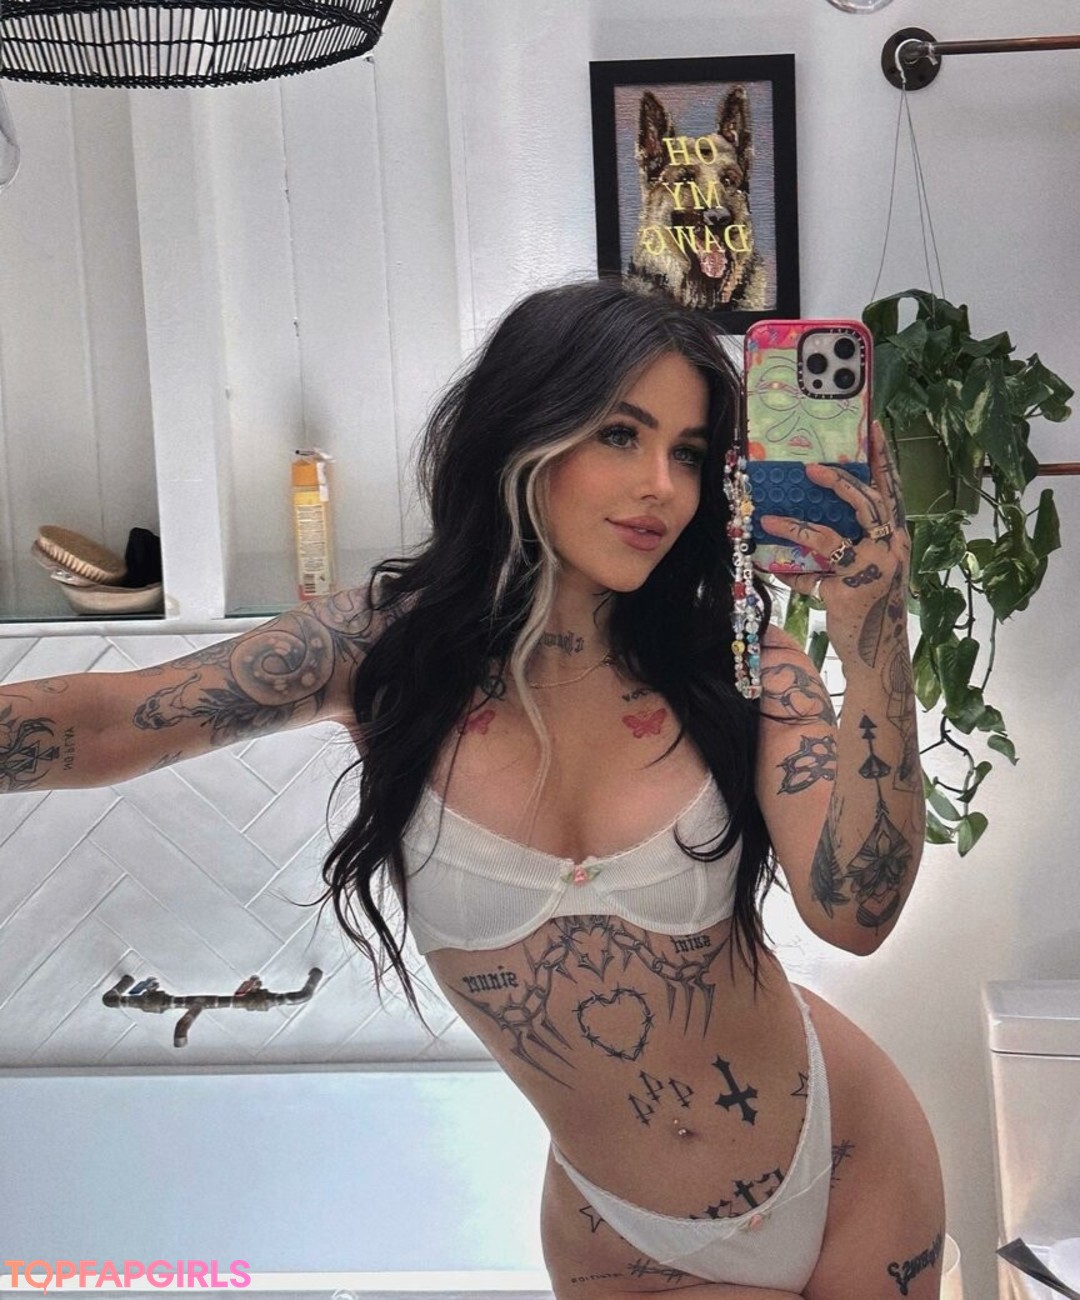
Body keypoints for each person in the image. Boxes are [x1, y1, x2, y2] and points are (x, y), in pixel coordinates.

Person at [0, 281, 944, 1299]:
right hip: (627, 1239)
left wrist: (873, 634)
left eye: (687, 452)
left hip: (847, 1153)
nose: (661, 487)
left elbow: (855, 914)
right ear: (525, 429)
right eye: (619, 435)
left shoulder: (739, 663)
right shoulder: (384, 653)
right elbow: (108, 721)